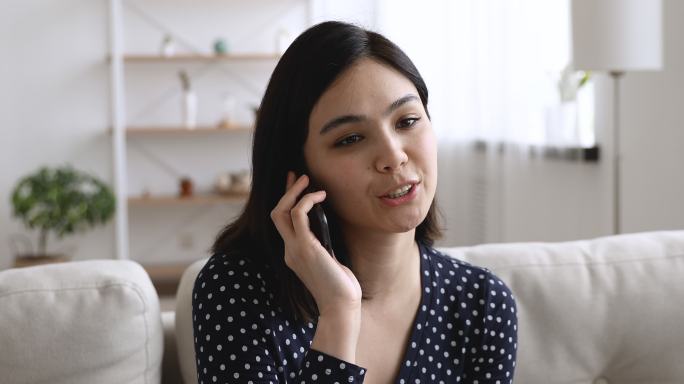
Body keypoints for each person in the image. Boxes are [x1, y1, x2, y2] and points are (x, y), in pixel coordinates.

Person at [192, 21, 517, 383]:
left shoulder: (482, 304)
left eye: (407, 120)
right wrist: (338, 313)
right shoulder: (237, 290)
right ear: (298, 170)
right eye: (350, 139)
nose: (393, 156)